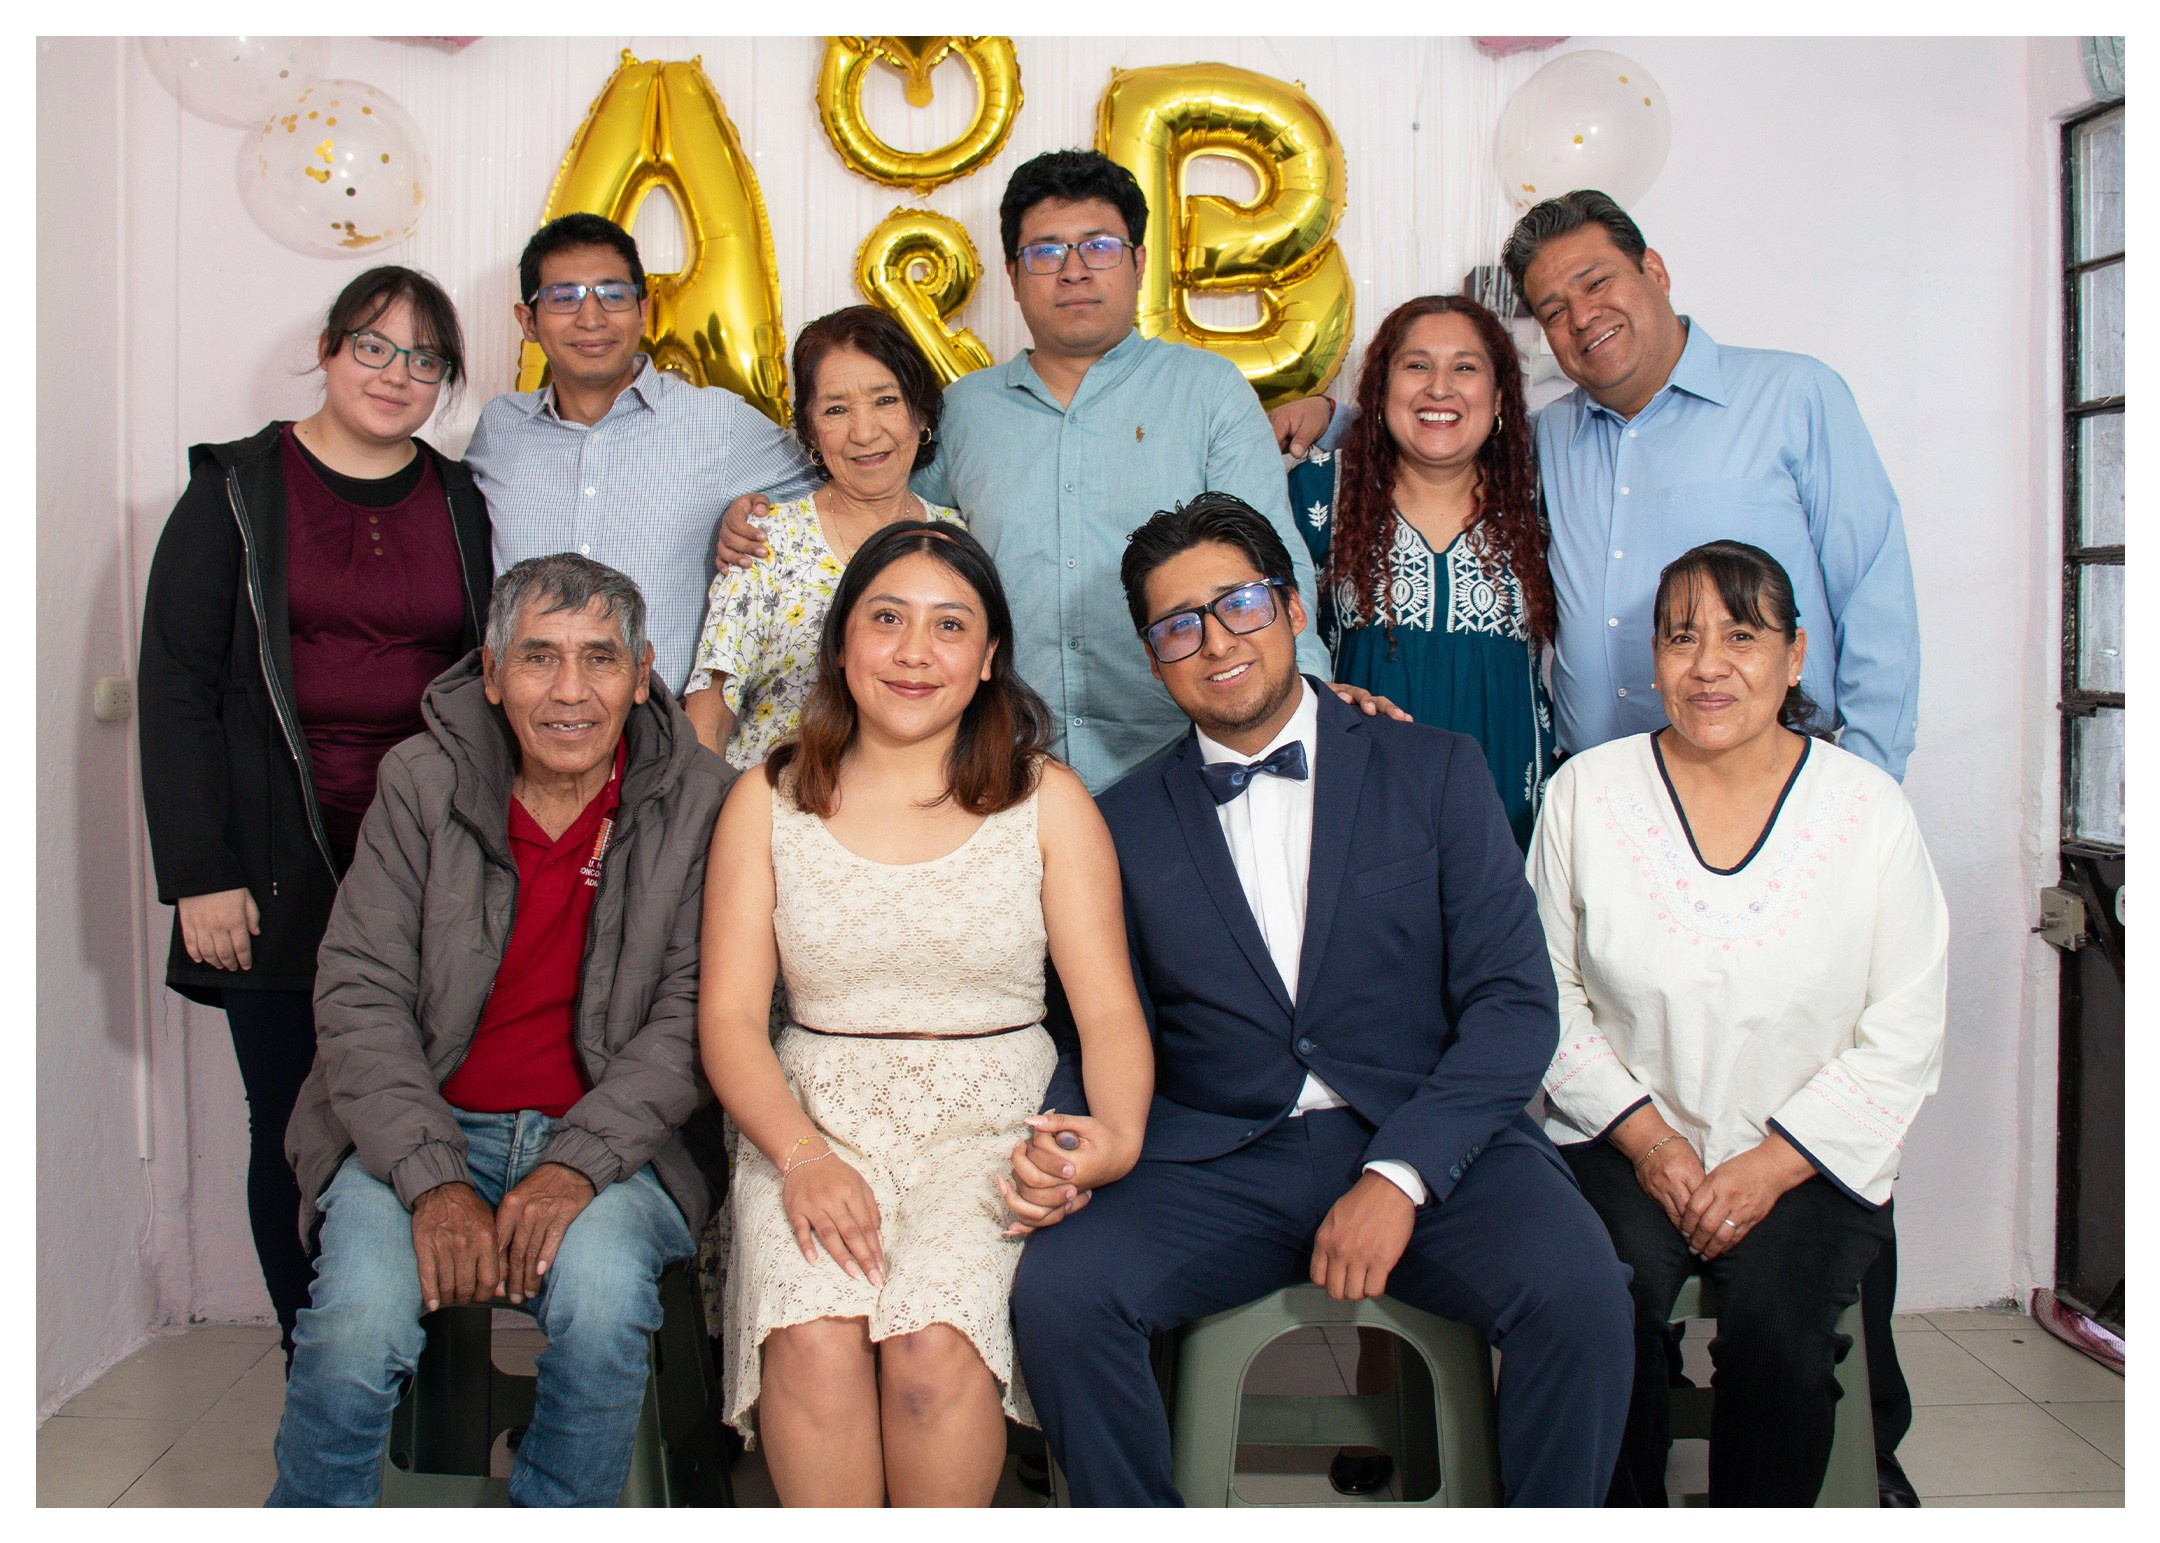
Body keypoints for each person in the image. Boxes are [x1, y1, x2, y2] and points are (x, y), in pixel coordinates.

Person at [1274, 188, 1927, 1502]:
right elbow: (1318, 529)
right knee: (1458, 1108)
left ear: (1654, 268)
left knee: (1764, 1094)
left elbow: (1873, 594)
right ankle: (1439, 1416)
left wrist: (1852, 803)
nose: (1580, 318)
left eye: (1595, 286)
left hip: (1752, 809)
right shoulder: (1526, 448)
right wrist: (1313, 412)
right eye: (1554, 309)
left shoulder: (1792, 399)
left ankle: (1857, 1434)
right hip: (1573, 820)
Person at [1008, 493, 1633, 1507]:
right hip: (1216, 1153)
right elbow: (1099, 1021)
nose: (1216, 641)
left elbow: (1516, 1004)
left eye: (1240, 604)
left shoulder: (1434, 769)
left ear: (1293, 610)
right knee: (1064, 1295)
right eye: (1179, 624)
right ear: (1152, 653)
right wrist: (1073, 1141)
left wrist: (1401, 1173)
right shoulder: (1117, 821)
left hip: (1425, 1136)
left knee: (1581, 1292)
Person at [700, 522, 1152, 1505]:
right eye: (887, 619)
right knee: (813, 1341)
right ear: (840, 644)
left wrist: (1110, 1137)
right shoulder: (767, 799)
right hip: (811, 1121)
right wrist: (802, 1156)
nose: (915, 651)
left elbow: (1110, 1012)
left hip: (992, 1123)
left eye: (950, 625)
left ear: (989, 658)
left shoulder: (1048, 800)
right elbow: (731, 1019)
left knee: (931, 1346)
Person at [266, 555, 732, 1506]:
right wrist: (433, 1176)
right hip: (423, 1128)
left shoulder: (703, 800)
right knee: (355, 1323)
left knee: (603, 1311)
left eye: (600, 660)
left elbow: (695, 1015)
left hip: (615, 1147)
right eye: (539, 658)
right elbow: (359, 991)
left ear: (642, 674)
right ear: (490, 671)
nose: (571, 692)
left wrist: (576, 1163)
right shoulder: (422, 780)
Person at [717, 149, 1370, 795]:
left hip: (1186, 763)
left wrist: (1311, 711)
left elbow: (1267, 564)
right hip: (1002, 772)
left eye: (1100, 247)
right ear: (1012, 270)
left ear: (1139, 262)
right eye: (1047, 252)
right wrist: (753, 516)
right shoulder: (967, 410)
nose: (1075, 271)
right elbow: (884, 518)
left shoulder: (1207, 391)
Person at [1529, 540, 1947, 1506]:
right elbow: (1544, 995)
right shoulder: (1586, 793)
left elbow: (1906, 1024)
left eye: (1741, 635)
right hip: (1625, 1134)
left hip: (1805, 1154)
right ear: (1654, 657)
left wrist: (1768, 1164)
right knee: (1602, 1302)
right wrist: (1654, 1146)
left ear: (1795, 655)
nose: (1708, 664)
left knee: (1780, 1333)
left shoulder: (1867, 810)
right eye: (1682, 637)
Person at [137, 265, 489, 1367]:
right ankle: (321, 1362)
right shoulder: (236, 489)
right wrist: (199, 870)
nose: (397, 374)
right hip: (272, 863)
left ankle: (427, 1366)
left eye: (424, 358)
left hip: (425, 861)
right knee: (294, 1121)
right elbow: (178, 682)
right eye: (375, 347)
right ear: (329, 351)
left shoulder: (457, 498)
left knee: (427, 1119)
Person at [466, 212, 821, 694]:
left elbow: (833, 497)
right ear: (528, 321)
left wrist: (759, 513)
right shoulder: (500, 429)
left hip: (665, 731)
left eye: (612, 294)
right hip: (523, 733)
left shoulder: (716, 422)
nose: (591, 317)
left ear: (643, 311)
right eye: (563, 297)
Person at [1290, 292, 1555, 853]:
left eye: (1465, 367)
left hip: (1509, 818)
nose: (1440, 388)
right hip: (1360, 810)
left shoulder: (1545, 495)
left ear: (1500, 394)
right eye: (1416, 366)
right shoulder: (1320, 491)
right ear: (1381, 391)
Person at [682, 305, 962, 768]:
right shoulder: (764, 541)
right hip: (772, 813)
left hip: (922, 817)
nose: (865, 432)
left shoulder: (956, 539)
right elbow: (709, 713)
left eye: (886, 400)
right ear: (811, 430)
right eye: (836, 409)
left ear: (920, 411)